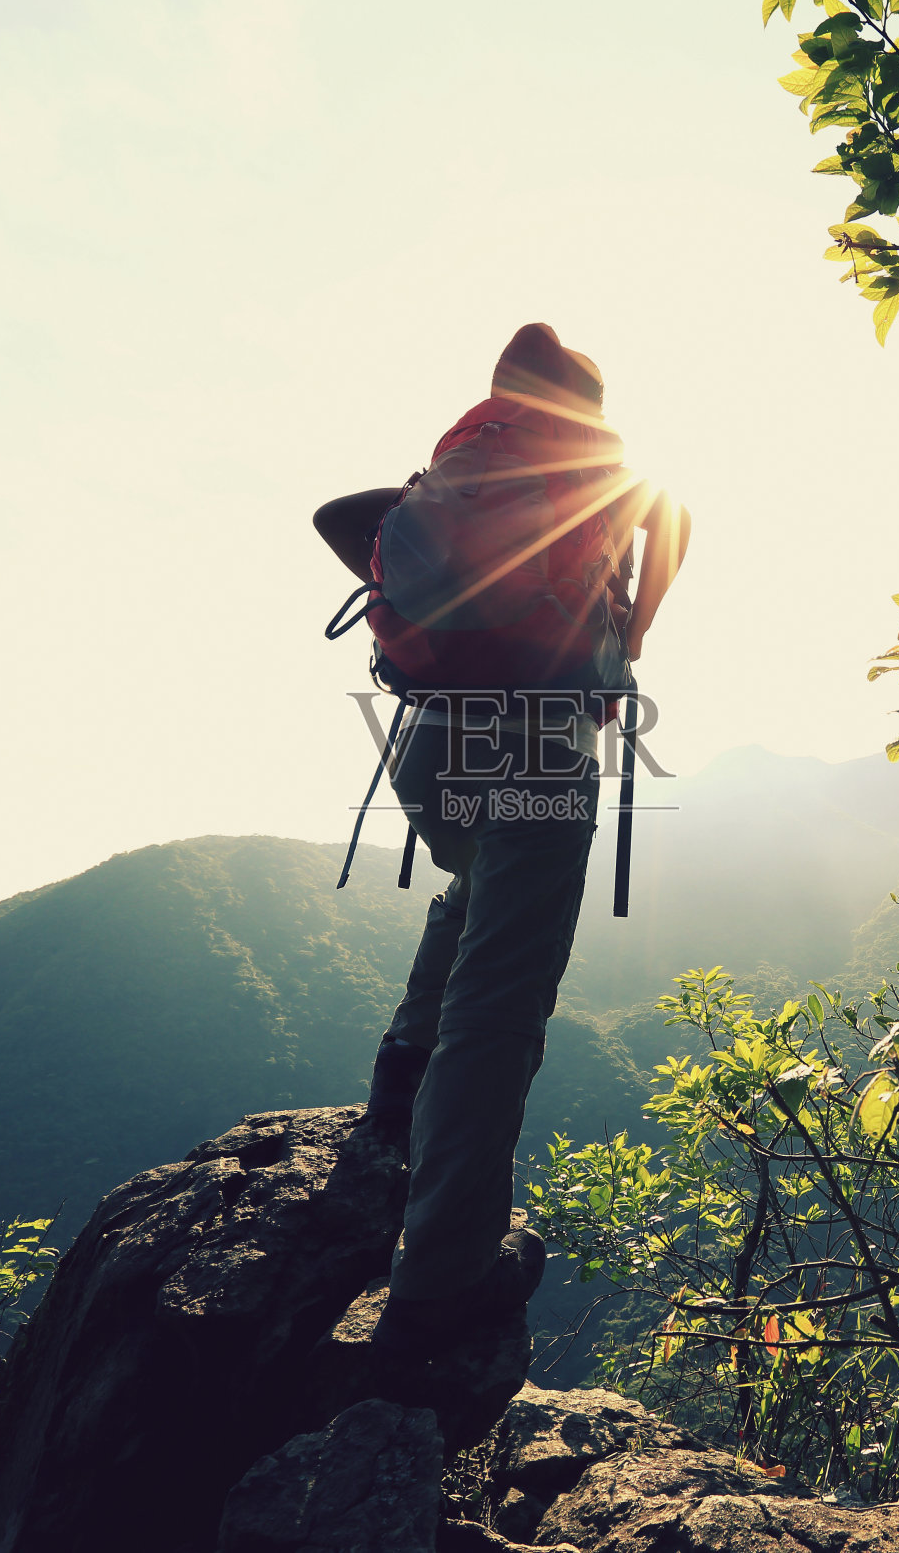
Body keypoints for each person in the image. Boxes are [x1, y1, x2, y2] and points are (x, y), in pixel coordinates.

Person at [314, 324, 690, 1357]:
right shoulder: (606, 474)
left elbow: (334, 520)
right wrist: (635, 630)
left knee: (472, 887)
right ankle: (441, 1276)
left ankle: (400, 1071)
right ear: (590, 405)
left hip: (430, 744)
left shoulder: (455, 465)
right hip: (533, 750)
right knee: (503, 987)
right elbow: (679, 512)